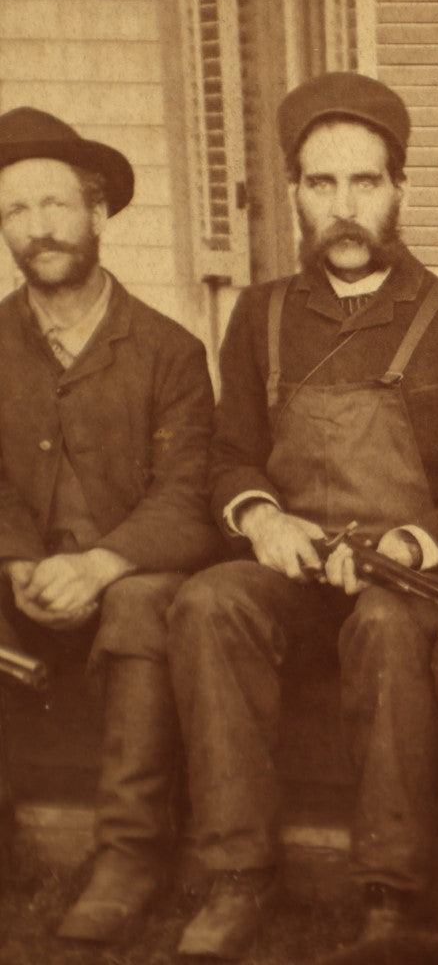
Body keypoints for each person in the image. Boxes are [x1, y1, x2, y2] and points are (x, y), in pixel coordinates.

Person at [165, 72, 438, 958]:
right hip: (293, 565)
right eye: (322, 184)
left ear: (400, 189)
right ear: (294, 195)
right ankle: (237, 875)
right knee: (208, 603)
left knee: (389, 628)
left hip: (408, 575)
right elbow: (229, 453)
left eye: (365, 182)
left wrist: (409, 543)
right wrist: (261, 519)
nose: (344, 206)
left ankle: (387, 894)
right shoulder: (260, 313)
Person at [0, 107, 220, 942]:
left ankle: (129, 852)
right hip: (26, 580)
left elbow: (187, 493)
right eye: (15, 211)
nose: (37, 228)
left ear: (97, 213)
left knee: (142, 603)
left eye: (54, 204)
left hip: (130, 576)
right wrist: (19, 559)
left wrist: (100, 565)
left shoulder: (167, 350)